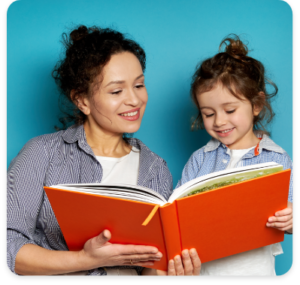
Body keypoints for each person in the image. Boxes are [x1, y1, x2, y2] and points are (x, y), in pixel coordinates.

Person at [6, 25, 201, 276]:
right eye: (117, 91)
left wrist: (173, 270)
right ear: (82, 101)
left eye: (139, 85)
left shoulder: (154, 168)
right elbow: (9, 245)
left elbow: (150, 268)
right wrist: (84, 260)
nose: (134, 100)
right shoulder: (41, 153)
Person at [176, 34, 293, 276]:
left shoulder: (277, 158)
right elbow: (177, 212)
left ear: (257, 104)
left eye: (230, 110)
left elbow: (289, 212)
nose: (219, 121)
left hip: (254, 268)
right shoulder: (200, 159)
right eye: (208, 114)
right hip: (204, 268)